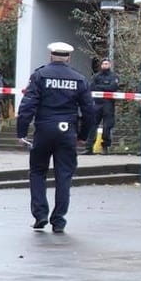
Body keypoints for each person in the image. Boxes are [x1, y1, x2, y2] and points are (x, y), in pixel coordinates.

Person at [16, 41, 98, 233]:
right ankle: (59, 220)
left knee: (37, 172)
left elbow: (28, 105)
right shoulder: (79, 79)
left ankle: (40, 214)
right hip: (67, 131)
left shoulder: (40, 75)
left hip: (44, 129)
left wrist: (21, 132)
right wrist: (83, 135)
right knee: (64, 176)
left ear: (51, 55)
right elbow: (89, 111)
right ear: (68, 57)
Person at [86, 58, 119, 154]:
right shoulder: (96, 76)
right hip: (97, 104)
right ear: (101, 65)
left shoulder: (114, 76)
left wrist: (100, 87)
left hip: (108, 104)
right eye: (103, 63)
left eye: (107, 63)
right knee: (92, 125)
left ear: (110, 65)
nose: (105, 65)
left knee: (107, 126)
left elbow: (113, 88)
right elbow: (92, 87)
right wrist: (105, 88)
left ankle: (105, 147)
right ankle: (89, 148)